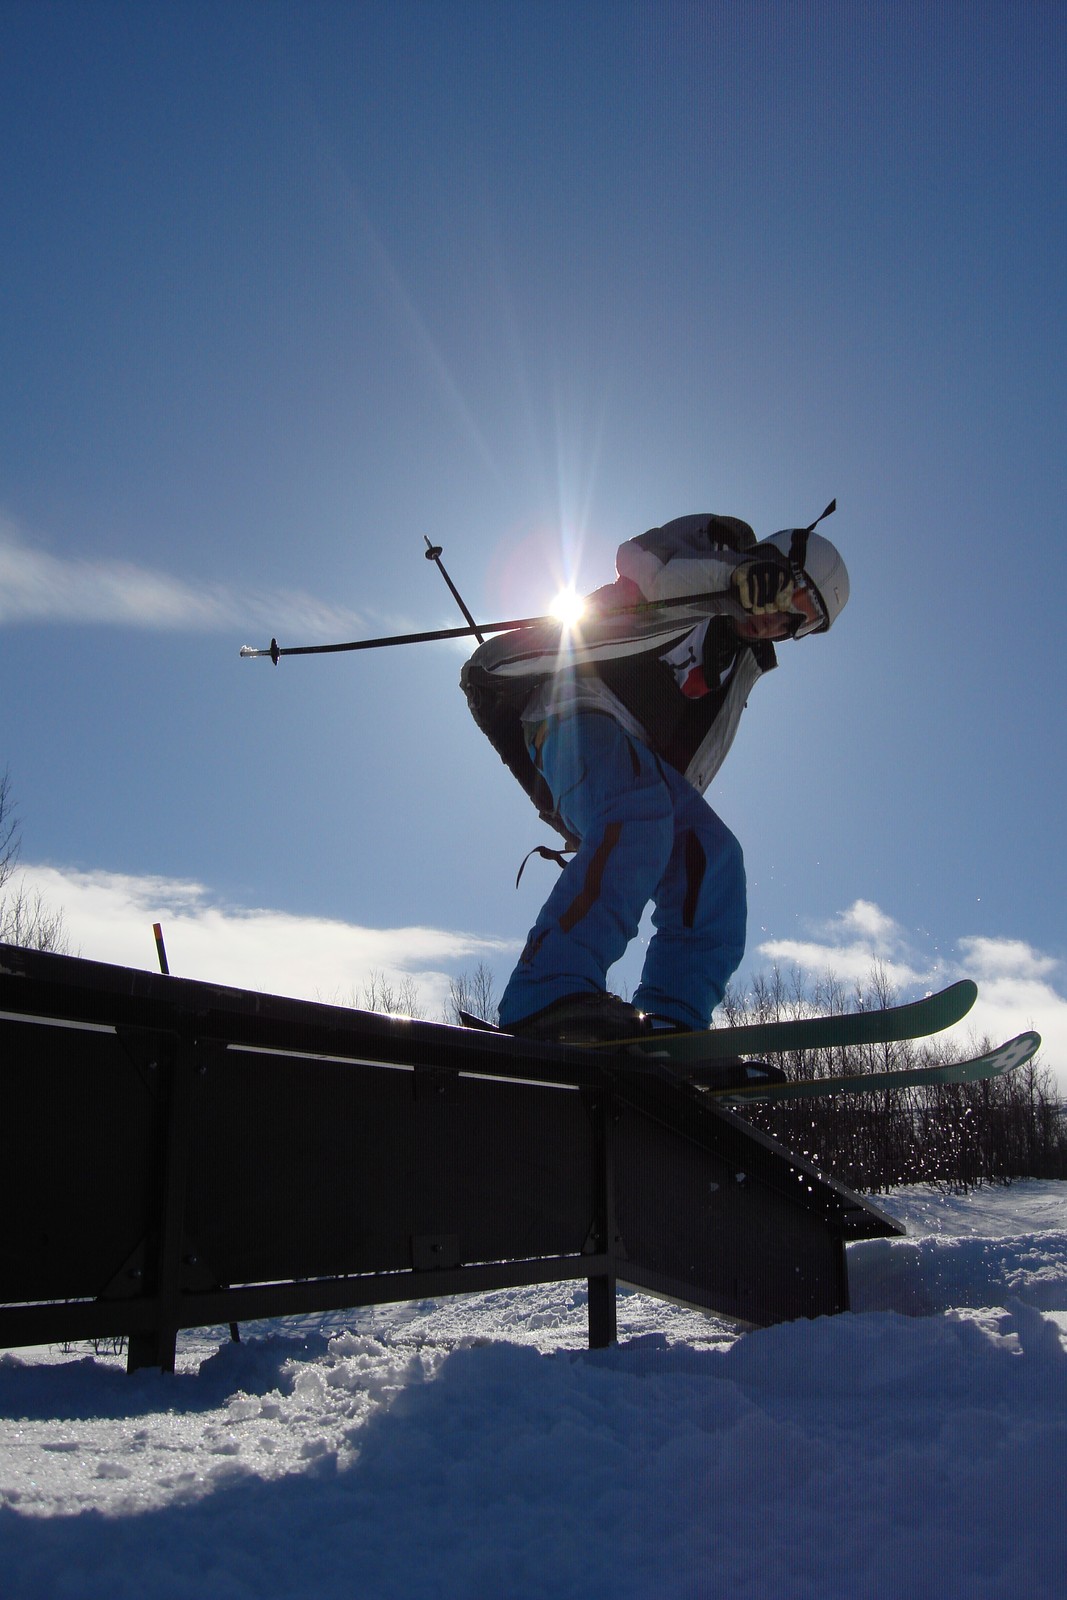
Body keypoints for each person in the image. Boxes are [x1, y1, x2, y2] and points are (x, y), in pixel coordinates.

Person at [460, 505, 849, 1044]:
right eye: (791, 596)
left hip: (635, 761)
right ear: (774, 563)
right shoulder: (715, 549)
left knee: (712, 855)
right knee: (639, 811)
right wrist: (734, 576)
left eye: (798, 622)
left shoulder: (738, 665)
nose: (779, 620)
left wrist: (633, 836)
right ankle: (546, 990)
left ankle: (673, 1019)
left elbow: (694, 764)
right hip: (570, 711)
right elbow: (641, 562)